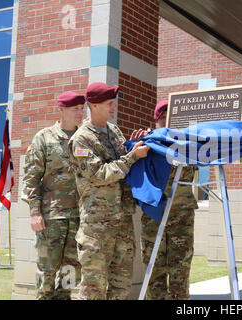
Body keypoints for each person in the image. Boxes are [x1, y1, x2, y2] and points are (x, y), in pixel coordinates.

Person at [68, 82, 150, 300]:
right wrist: (133, 156)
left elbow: (123, 159)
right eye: (109, 103)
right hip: (97, 227)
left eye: (114, 103)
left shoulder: (113, 130)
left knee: (121, 286)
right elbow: (100, 174)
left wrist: (135, 146)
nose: (114, 107)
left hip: (122, 221)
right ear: (94, 105)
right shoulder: (81, 139)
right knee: (94, 289)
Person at [22, 91, 85, 300]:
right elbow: (31, 178)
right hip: (51, 219)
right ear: (62, 110)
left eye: (81, 108)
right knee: (47, 274)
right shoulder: (44, 138)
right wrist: (34, 212)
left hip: (77, 219)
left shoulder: (83, 138)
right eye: (75, 108)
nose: (80, 112)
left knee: (69, 273)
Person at [141, 100, 199, 300]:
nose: (166, 121)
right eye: (162, 117)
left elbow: (216, 147)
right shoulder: (147, 144)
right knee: (154, 271)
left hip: (181, 218)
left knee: (180, 273)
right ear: (155, 121)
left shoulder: (189, 145)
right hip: (153, 218)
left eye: (170, 117)